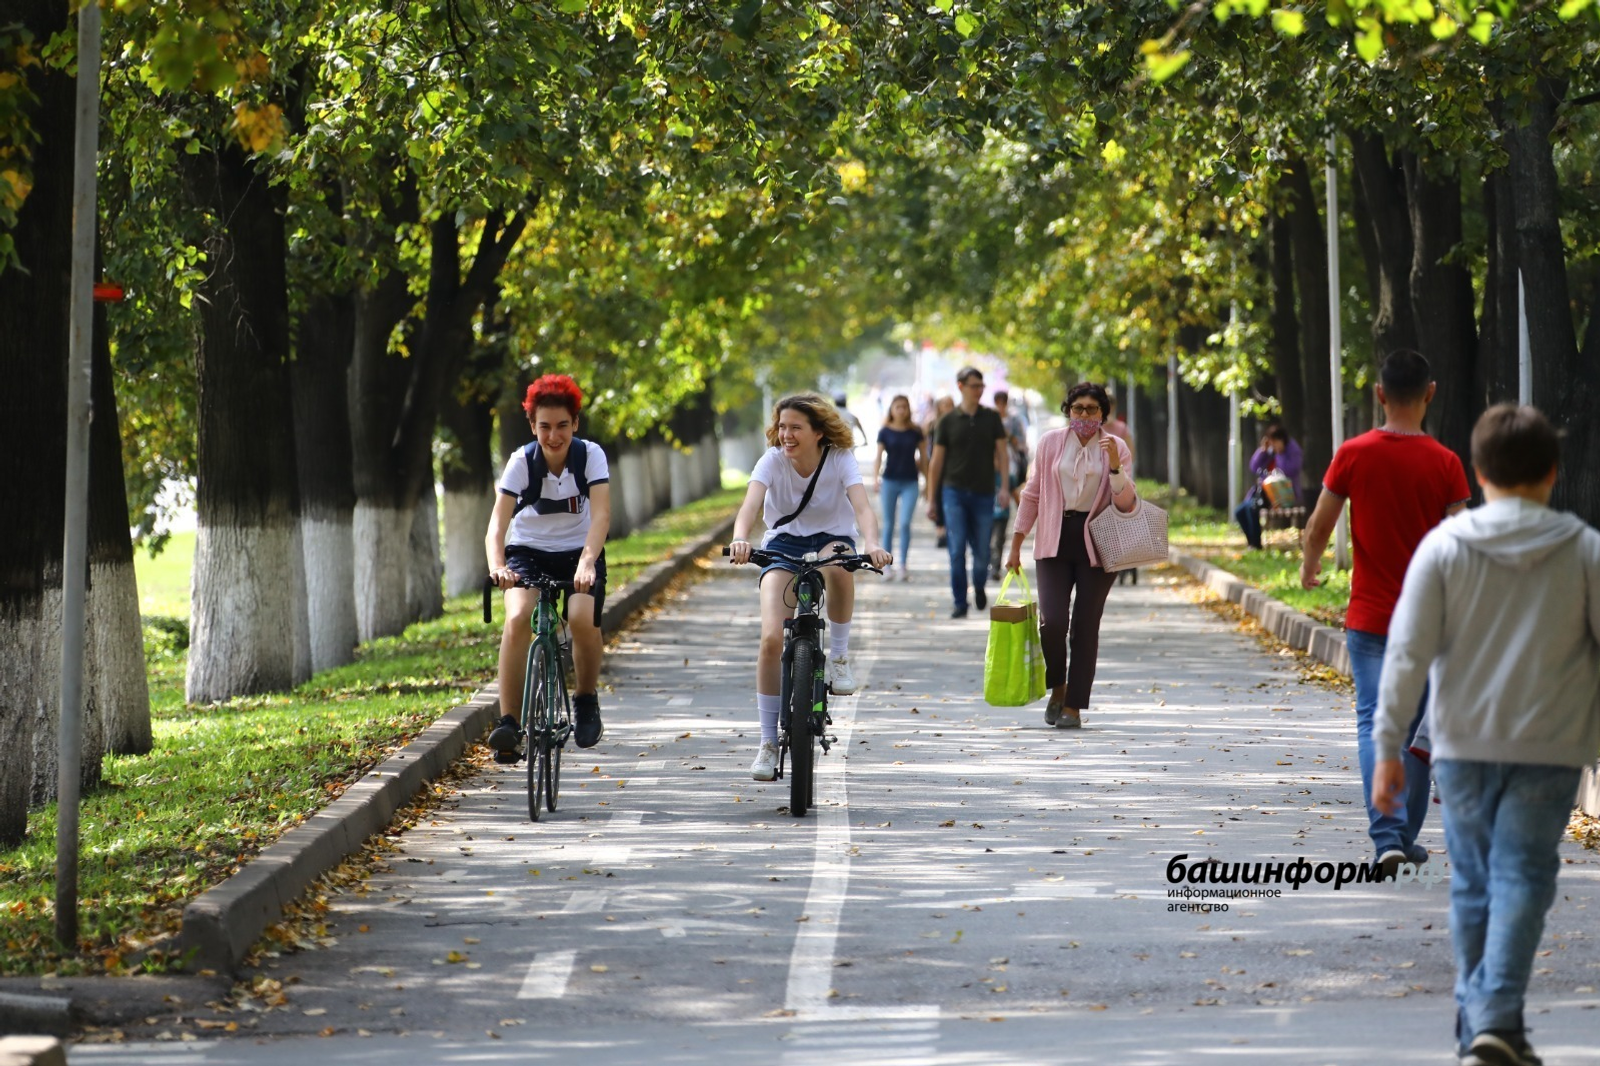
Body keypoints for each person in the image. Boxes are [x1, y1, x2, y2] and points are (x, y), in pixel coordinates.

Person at [1373, 404, 1600, 1066]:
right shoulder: (1584, 550)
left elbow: (1406, 655)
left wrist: (1388, 747)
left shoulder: (1443, 549)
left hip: (1462, 747)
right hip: (1551, 748)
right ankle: (1496, 1022)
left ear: (1476, 473)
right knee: (1524, 877)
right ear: (1552, 473)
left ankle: (1485, 1024)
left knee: (1473, 883)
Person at [1300, 349, 1469, 877]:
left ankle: (1390, 836)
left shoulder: (1353, 454)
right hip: (1429, 621)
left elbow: (1319, 526)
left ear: (1379, 394)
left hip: (1371, 618)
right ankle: (1399, 836)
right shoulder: (1445, 463)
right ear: (1430, 393)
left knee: (1377, 722)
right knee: (1416, 729)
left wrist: (1309, 565)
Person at [728, 393, 892, 781]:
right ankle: (768, 743)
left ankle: (839, 657)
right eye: (782, 427)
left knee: (840, 564)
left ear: (818, 432)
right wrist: (740, 538)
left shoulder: (840, 459)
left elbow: (862, 508)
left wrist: (872, 544)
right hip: (782, 545)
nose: (786, 434)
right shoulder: (771, 460)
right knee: (771, 639)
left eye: (795, 427)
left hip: (832, 538)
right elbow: (750, 506)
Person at [485, 375, 612, 757]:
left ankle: (585, 699)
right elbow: (497, 526)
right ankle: (509, 724)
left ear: (575, 423)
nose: (554, 436)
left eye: (562, 425)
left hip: (579, 551)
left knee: (581, 617)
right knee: (517, 617)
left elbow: (602, 516)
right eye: (544, 427)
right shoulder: (521, 462)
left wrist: (587, 563)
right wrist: (498, 567)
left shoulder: (590, 456)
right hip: (528, 551)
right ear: (532, 426)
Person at [1005, 382, 1137, 729]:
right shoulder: (1050, 442)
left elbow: (1126, 501)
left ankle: (1074, 706)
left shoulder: (1117, 446)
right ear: (1068, 410)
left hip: (1099, 544)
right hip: (1055, 540)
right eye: (1078, 408)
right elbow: (1032, 494)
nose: (1084, 414)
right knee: (1052, 623)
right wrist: (1016, 544)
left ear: (1103, 413)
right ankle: (1058, 687)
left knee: (1085, 626)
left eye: (1092, 409)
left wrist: (1114, 465)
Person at [926, 367, 1010, 618]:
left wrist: (1004, 488)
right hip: (954, 492)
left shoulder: (991, 418)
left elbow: (1003, 454)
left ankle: (980, 584)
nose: (979, 391)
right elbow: (936, 463)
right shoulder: (947, 421)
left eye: (981, 386)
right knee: (956, 548)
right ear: (961, 386)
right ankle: (960, 602)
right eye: (974, 386)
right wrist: (931, 499)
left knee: (983, 550)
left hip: (984, 493)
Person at [873, 394, 925, 582]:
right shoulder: (885, 431)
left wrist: (928, 482)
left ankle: (903, 564)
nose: (901, 410)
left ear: (909, 409)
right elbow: (878, 456)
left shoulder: (916, 431)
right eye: (898, 407)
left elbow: (924, 458)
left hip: (910, 481)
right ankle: (887, 566)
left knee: (904, 523)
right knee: (888, 524)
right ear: (892, 409)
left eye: (904, 407)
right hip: (890, 480)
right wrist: (876, 478)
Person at [1233, 424, 1304, 550]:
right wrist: (1262, 451)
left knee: (1253, 507)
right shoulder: (1270, 451)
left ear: (1281, 440)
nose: (1273, 446)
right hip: (1265, 492)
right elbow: (1254, 467)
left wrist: (1279, 454)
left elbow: (1290, 471)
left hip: (1283, 494)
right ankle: (1251, 542)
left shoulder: (1292, 451)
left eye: (1275, 442)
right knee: (1240, 511)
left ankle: (1256, 544)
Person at [988, 390, 1030, 580]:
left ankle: (994, 566)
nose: (1000, 406)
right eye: (997, 402)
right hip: (988, 496)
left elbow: (1021, 443)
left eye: (1002, 402)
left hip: (1009, 468)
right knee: (987, 536)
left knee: (998, 535)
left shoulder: (1013, 421)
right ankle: (989, 564)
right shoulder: (989, 420)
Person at [924, 395, 955, 548]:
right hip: (936, 465)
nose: (947, 407)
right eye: (944, 404)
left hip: (951, 466)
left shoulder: (956, 423)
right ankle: (940, 530)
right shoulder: (933, 424)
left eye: (950, 404)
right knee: (937, 496)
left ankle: (948, 530)